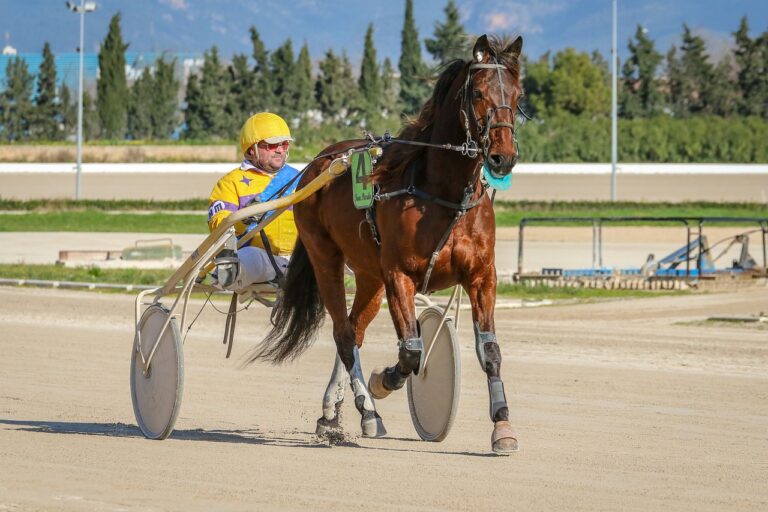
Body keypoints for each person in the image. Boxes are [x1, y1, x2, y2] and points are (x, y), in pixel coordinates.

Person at [207, 112, 301, 291]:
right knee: (250, 257)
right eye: (272, 145)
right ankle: (228, 275)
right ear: (252, 149)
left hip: (304, 258)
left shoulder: (302, 179)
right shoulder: (230, 182)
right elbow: (218, 223)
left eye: (284, 144)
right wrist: (242, 219)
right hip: (261, 259)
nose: (280, 150)